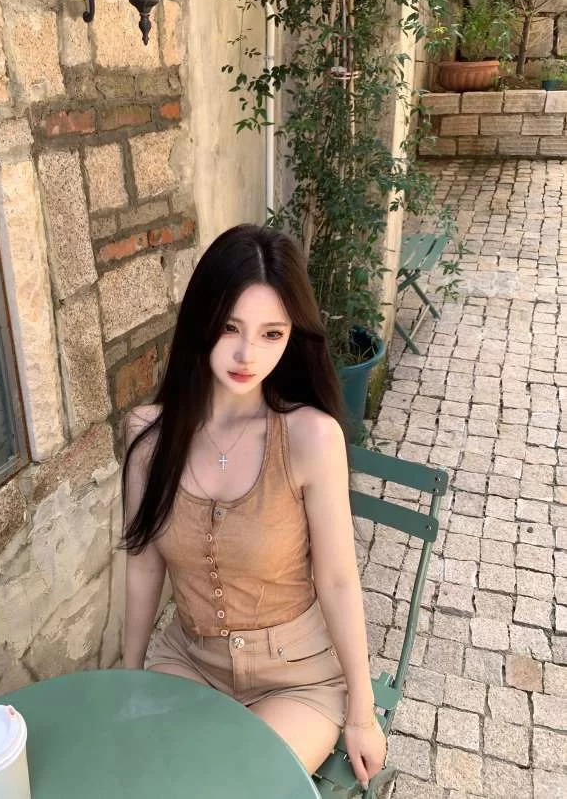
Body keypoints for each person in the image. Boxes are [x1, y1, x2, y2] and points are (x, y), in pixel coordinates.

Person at [120, 224, 386, 787]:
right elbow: (144, 564)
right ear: (201, 321)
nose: (247, 354)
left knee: (237, 788)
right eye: (230, 327)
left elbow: (338, 580)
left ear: (292, 337)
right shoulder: (148, 437)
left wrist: (362, 713)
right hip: (189, 661)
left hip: (296, 678)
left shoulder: (311, 438)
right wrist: (128, 675)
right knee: (148, 779)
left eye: (272, 334)